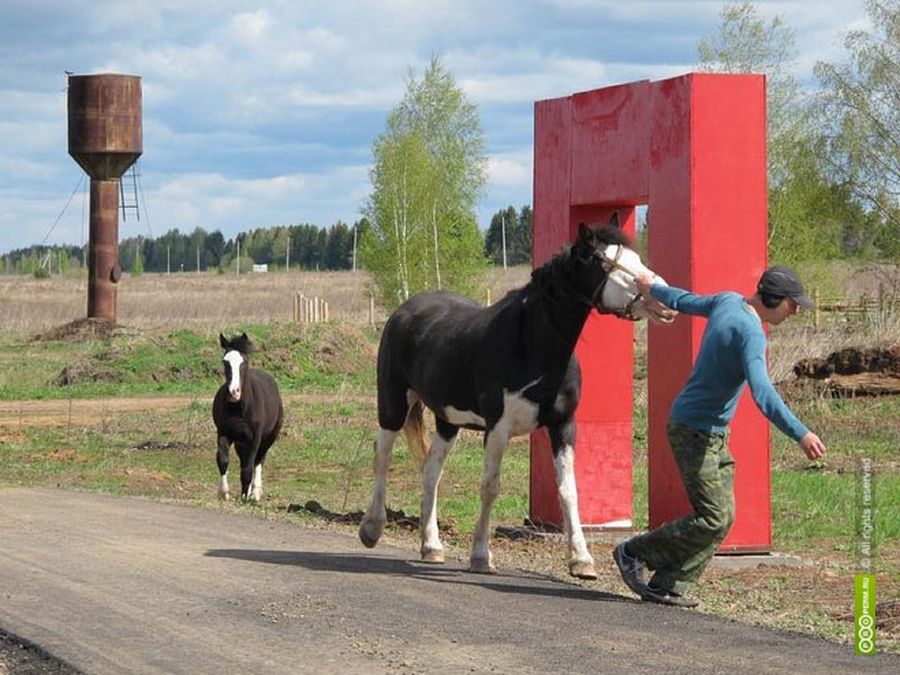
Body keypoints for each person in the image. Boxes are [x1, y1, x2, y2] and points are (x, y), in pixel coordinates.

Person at [613, 265, 827, 608]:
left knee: (722, 516)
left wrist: (652, 287)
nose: (796, 310)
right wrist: (801, 434)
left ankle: (667, 584)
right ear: (774, 299)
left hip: (709, 431)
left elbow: (684, 301)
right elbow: (763, 393)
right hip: (693, 431)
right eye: (792, 303)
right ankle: (633, 552)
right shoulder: (751, 333)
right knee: (713, 515)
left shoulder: (728, 302)